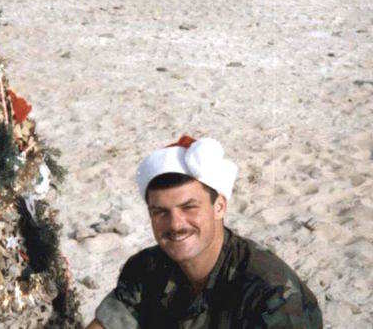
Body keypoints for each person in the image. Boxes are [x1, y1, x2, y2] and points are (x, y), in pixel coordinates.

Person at [86, 136, 322, 329]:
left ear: (219, 206)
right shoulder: (146, 268)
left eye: (189, 207)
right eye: (160, 212)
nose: (175, 224)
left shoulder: (268, 290)